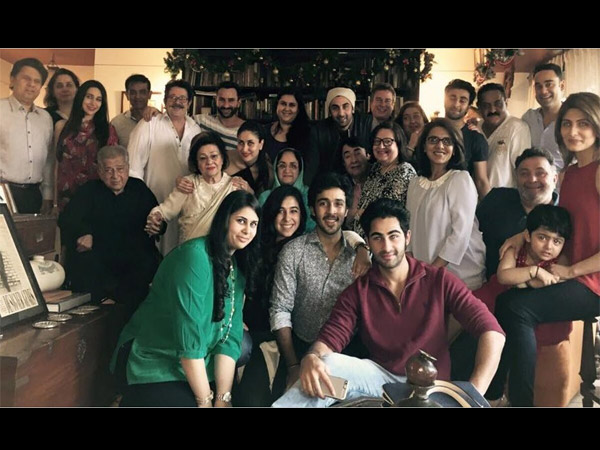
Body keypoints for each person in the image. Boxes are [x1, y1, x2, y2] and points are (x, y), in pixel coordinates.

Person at [272, 198, 505, 407]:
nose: (386, 247)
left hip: (431, 388)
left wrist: (472, 396)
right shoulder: (359, 291)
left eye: (393, 236)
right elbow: (329, 340)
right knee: (325, 364)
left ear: (407, 237)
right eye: (377, 238)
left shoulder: (438, 279)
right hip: (381, 381)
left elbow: (493, 332)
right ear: (368, 242)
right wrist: (311, 358)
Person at [491, 92, 600, 407]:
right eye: (567, 123)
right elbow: (560, 226)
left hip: (593, 282)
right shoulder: (570, 174)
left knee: (516, 308)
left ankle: (515, 401)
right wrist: (521, 236)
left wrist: (570, 271)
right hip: (575, 276)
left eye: (583, 123)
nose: (573, 131)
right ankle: (497, 395)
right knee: (505, 299)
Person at [111, 190, 262, 407]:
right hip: (153, 359)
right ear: (224, 220)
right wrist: (205, 402)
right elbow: (189, 339)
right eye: (241, 221)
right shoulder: (195, 257)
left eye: (253, 224)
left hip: (196, 362)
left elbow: (230, 337)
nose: (247, 230)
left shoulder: (236, 267)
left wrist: (222, 398)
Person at [269, 172, 372, 397]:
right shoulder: (293, 252)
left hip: (348, 353)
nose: (331, 211)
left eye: (338, 204)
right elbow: (280, 310)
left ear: (347, 210)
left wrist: (362, 248)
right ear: (313, 209)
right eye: (324, 203)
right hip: (298, 348)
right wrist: (293, 366)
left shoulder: (361, 257)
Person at [450, 204, 573, 390]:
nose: (549, 246)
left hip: (518, 307)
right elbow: (504, 276)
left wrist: (527, 278)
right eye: (542, 237)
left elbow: (545, 283)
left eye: (557, 241)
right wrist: (534, 271)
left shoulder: (560, 261)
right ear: (527, 235)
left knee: (483, 336)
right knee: (459, 314)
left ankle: (483, 389)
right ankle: (437, 350)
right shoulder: (516, 249)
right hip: (494, 293)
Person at [58, 145, 162, 319]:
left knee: (147, 263)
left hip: (133, 258)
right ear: (99, 171)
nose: (115, 176)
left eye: (120, 169)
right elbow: (66, 219)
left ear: (127, 169)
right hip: (100, 256)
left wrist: (158, 226)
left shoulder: (139, 189)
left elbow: (158, 216)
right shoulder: (89, 191)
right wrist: (84, 232)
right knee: (84, 262)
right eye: (108, 170)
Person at [235, 185, 308, 406]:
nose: (287, 218)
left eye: (294, 211)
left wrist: (360, 245)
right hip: (246, 330)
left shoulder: (304, 249)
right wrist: (236, 316)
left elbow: (343, 237)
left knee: (255, 399)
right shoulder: (253, 243)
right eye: (280, 211)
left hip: (279, 337)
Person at [406, 118, 486, 291]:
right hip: (423, 272)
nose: (440, 145)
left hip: (457, 274)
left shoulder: (460, 179)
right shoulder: (415, 183)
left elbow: (460, 234)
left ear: (455, 148)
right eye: (433, 140)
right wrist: (414, 269)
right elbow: (409, 229)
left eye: (447, 141)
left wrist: (430, 272)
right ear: (424, 146)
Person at [128, 79, 201, 255]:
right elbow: (133, 169)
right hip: (154, 203)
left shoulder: (196, 130)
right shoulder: (149, 124)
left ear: (190, 103)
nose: (177, 102)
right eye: (172, 97)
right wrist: (141, 204)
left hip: (185, 206)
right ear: (165, 101)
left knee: (181, 253)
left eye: (182, 98)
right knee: (153, 255)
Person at [145, 132, 251, 245]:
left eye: (214, 156)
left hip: (221, 251)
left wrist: (249, 190)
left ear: (222, 158)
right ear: (196, 163)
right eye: (203, 158)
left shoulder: (234, 186)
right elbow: (163, 211)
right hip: (189, 251)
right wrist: (156, 219)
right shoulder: (188, 185)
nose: (209, 162)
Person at [477, 147, 558, 279]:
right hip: (489, 283)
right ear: (516, 178)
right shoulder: (496, 199)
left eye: (540, 173)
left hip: (544, 287)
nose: (532, 179)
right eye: (524, 174)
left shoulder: (564, 212)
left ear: (555, 179)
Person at [55, 79, 119, 212]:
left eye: (98, 99)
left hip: (95, 196)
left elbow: (111, 166)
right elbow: (56, 164)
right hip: (66, 195)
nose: (93, 103)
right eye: (89, 97)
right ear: (80, 97)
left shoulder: (107, 130)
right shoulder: (62, 127)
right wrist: (54, 202)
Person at [0, 58, 54, 214]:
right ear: (12, 80)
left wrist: (47, 195)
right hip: (2, 192)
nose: (32, 84)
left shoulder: (45, 118)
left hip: (34, 194)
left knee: (31, 231)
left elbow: (48, 160)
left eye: (37, 81)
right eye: (26, 78)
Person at [353, 122, 417, 238]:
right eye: (377, 141)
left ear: (398, 144)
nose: (381, 146)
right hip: (363, 238)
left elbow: (388, 211)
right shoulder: (375, 168)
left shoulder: (404, 171)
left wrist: (360, 213)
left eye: (387, 141)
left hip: (386, 239)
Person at [309, 87, 371, 180]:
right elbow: (312, 167)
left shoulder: (367, 124)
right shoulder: (318, 131)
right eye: (335, 108)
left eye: (345, 106)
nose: (341, 113)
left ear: (353, 108)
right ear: (330, 111)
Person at [477, 83, 531, 188]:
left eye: (498, 104)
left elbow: (523, 169)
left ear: (506, 103)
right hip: (475, 196)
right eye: (486, 106)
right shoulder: (475, 128)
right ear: (479, 108)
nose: (492, 110)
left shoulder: (517, 128)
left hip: (506, 196)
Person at [443, 79, 491, 199]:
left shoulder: (476, 138)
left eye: (462, 100)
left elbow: (481, 181)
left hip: (460, 200)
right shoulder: (429, 132)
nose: (456, 104)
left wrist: (490, 208)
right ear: (444, 99)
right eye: (452, 98)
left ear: (468, 106)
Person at [258, 147, 315, 232]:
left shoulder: (309, 195)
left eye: (293, 166)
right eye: (282, 166)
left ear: (300, 170)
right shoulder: (265, 197)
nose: (287, 170)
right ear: (276, 169)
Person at [522, 63, 565, 172]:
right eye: (538, 86)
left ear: (562, 86)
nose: (543, 91)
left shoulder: (574, 119)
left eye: (549, 84)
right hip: (533, 181)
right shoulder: (529, 118)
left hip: (567, 181)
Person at [262, 88, 314, 173]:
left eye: (292, 105)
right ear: (277, 105)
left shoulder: (309, 134)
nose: (286, 108)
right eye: (283, 104)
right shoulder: (264, 131)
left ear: (298, 109)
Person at [231, 120, 273, 197]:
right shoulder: (227, 158)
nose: (244, 149)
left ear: (261, 144)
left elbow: (263, 201)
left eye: (250, 143)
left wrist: (251, 193)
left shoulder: (267, 172)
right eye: (241, 142)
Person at [110, 74, 152, 148]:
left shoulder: (158, 121)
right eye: (133, 92)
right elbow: (112, 151)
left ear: (149, 94)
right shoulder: (116, 124)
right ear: (127, 95)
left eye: (142, 92)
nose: (137, 96)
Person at [340, 137, 371, 229]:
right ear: (344, 163)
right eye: (347, 156)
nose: (354, 160)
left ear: (368, 155)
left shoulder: (380, 179)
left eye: (358, 153)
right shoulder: (342, 186)